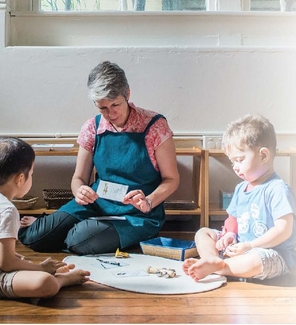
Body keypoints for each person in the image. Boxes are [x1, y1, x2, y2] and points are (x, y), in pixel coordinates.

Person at [18, 61, 181, 255]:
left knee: (77, 241)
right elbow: (79, 178)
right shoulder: (92, 127)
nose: (110, 114)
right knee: (34, 236)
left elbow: (172, 179)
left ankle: (76, 230)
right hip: (96, 204)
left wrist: (149, 201)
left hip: (137, 214)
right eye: (102, 108)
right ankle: (62, 227)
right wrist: (79, 192)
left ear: (127, 94)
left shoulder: (155, 126)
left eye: (115, 105)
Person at [0, 137, 90, 301]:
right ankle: (63, 280)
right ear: (20, 179)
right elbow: (6, 264)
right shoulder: (6, 210)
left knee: (28, 265)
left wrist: (33, 266)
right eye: (32, 174)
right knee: (46, 282)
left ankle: (46, 272)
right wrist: (40, 269)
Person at [182, 114, 296, 282]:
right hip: (240, 247)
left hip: (270, 252)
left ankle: (222, 268)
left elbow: (283, 230)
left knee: (255, 261)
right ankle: (211, 259)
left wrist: (251, 246)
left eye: (239, 160)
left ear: (263, 156)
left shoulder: (278, 189)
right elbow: (233, 218)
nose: (235, 168)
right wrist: (229, 235)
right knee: (203, 232)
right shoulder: (240, 188)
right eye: (232, 162)